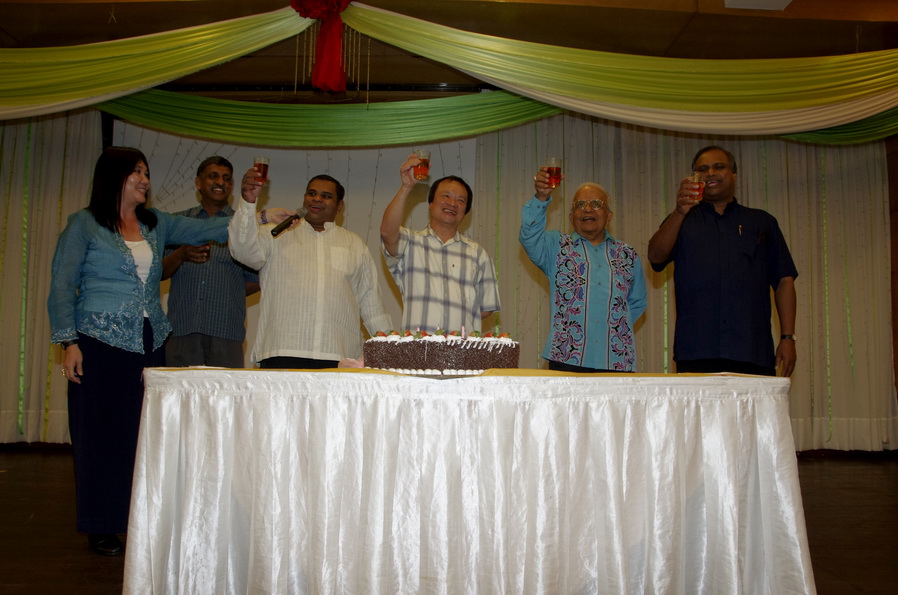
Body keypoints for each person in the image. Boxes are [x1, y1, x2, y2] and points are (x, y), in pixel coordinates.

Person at [47, 147, 293, 557]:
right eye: (136, 173)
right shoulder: (84, 225)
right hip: (97, 341)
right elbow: (60, 285)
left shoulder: (154, 223)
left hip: (148, 341)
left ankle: (134, 516)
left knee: (139, 435)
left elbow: (209, 229)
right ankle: (100, 524)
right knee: (97, 436)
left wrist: (257, 211)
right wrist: (68, 342)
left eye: (146, 172)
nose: (145, 179)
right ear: (115, 178)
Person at [647, 145, 798, 376]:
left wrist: (788, 337)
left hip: (752, 349)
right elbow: (656, 257)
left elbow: (784, 280)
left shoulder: (762, 221)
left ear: (734, 174)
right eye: (703, 169)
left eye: (719, 167)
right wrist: (679, 211)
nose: (710, 173)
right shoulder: (682, 220)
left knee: (753, 414)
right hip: (696, 350)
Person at [228, 169, 392, 368]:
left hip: (338, 354)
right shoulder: (277, 232)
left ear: (340, 206)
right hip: (282, 350)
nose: (317, 199)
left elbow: (371, 303)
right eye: (312, 193)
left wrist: (389, 351)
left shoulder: (354, 244)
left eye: (326, 196)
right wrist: (248, 202)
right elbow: (243, 252)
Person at [520, 171, 647, 372]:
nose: (588, 209)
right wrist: (542, 197)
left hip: (616, 359)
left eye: (597, 204)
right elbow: (529, 237)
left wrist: (612, 327)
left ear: (609, 216)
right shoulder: (556, 246)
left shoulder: (627, 254)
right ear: (571, 217)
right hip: (566, 357)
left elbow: (637, 301)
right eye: (580, 205)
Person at [380, 154, 500, 333]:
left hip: (462, 354)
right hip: (418, 351)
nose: (452, 203)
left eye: (461, 200)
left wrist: (458, 317)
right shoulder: (410, 243)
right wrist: (406, 187)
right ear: (430, 203)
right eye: (446, 196)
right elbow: (387, 232)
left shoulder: (477, 253)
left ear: (465, 212)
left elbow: (486, 307)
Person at [162, 156, 259, 368]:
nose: (220, 182)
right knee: (179, 399)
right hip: (181, 329)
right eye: (213, 176)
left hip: (226, 332)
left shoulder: (243, 228)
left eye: (226, 178)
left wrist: (226, 290)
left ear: (232, 186)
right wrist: (180, 255)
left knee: (225, 400)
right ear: (198, 183)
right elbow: (158, 273)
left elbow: (256, 280)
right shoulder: (177, 224)